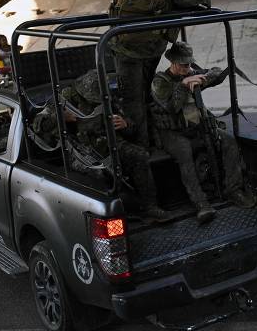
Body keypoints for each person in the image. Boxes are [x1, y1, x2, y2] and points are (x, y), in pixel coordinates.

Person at [109, 0, 211, 148]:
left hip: (124, 47)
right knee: (148, 95)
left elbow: (116, 3)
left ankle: (142, 148)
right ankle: (152, 142)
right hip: (153, 49)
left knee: (132, 101)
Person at [32, 69, 171, 223]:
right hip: (80, 151)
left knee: (139, 156)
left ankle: (149, 207)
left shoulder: (106, 97)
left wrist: (125, 124)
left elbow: (131, 126)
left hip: (110, 144)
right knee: (98, 173)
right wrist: (59, 117)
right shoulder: (66, 99)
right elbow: (38, 125)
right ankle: (109, 217)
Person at [150, 42, 256, 224]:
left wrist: (203, 79)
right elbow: (171, 108)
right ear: (173, 63)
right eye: (183, 64)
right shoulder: (160, 82)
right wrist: (183, 86)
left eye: (189, 64)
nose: (187, 67)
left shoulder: (190, 73)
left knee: (229, 141)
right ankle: (201, 204)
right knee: (184, 153)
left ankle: (234, 190)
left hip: (196, 127)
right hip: (173, 132)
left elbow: (218, 72)